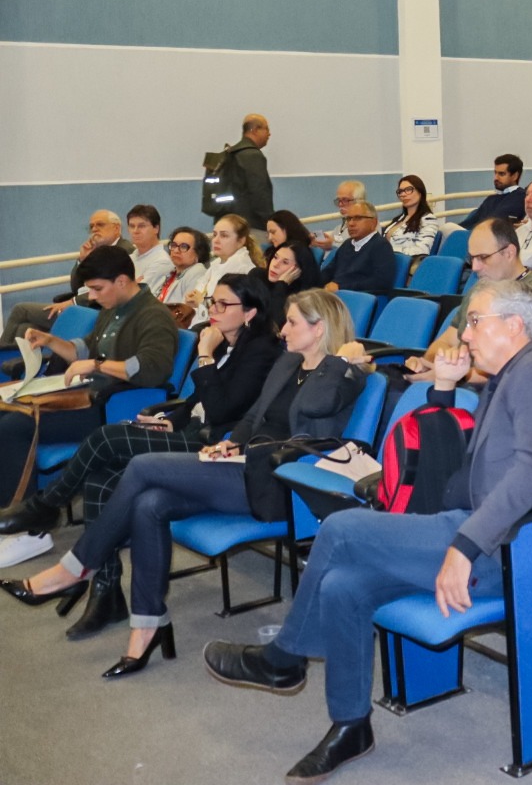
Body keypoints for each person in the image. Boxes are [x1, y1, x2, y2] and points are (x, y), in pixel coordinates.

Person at [200, 279, 532, 782]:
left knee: (340, 529)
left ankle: (283, 659)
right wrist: (446, 387)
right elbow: (463, 459)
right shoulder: (509, 374)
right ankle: (350, 725)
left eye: (475, 321)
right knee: (344, 586)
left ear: (513, 325)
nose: (465, 335)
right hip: (473, 531)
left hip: (510, 551)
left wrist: (464, 548)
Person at [1, 288, 365, 681]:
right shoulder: (287, 363)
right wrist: (230, 443)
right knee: (149, 503)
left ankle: (74, 568)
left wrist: (342, 360)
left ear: (320, 328)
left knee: (141, 467)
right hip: (242, 465)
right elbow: (255, 416)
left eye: (293, 322)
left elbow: (316, 409)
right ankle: (147, 626)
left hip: (279, 482)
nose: (283, 330)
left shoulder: (344, 375)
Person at [0, 274, 279, 634]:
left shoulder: (261, 352)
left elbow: (224, 407)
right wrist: (169, 418)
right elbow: (194, 402)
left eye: (224, 305)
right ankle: (107, 591)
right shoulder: (226, 343)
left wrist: (205, 355)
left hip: (215, 444)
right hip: (189, 431)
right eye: (213, 302)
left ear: (250, 313)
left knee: (106, 439)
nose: (213, 310)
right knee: (101, 479)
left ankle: (47, 507)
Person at [0, 247, 180, 569]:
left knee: (14, 428)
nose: (93, 297)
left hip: (112, 408)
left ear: (122, 281)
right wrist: (51, 340)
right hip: (88, 397)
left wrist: (98, 364)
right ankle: (10, 511)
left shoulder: (153, 316)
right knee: (8, 413)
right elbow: (83, 348)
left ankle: (31, 530)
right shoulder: (115, 308)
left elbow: (154, 369)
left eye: (98, 289)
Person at [402, 219, 532, 382]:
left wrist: (456, 375)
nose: (475, 267)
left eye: (483, 257)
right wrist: (429, 363)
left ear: (509, 252)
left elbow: (522, 369)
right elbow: (446, 340)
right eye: (472, 258)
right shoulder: (481, 289)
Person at [0, 210, 132, 344]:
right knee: (26, 328)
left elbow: (111, 290)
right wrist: (82, 260)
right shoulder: (97, 250)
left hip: (93, 309)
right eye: (91, 226)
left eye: (100, 224)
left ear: (116, 228)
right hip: (80, 305)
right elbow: (76, 287)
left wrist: (73, 302)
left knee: (20, 309)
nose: (94, 229)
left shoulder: (124, 251)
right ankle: (16, 363)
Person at [184, 215, 264, 325]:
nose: (216, 240)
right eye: (215, 234)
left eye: (224, 236)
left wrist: (200, 303)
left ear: (240, 241)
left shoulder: (243, 271)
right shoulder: (216, 265)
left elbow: (230, 318)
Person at [318, 202, 395, 295]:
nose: (351, 223)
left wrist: (341, 287)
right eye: (349, 219)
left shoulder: (381, 246)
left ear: (373, 222)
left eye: (358, 218)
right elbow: (328, 272)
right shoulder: (347, 244)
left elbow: (381, 283)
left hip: (358, 299)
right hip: (336, 296)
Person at [217, 113, 275, 231]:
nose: (269, 134)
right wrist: (270, 223)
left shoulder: (230, 154)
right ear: (254, 130)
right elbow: (259, 193)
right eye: (266, 129)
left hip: (228, 225)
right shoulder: (252, 155)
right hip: (252, 227)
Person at [256, 241, 323, 328]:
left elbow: (276, 326)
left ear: (298, 271)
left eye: (285, 262)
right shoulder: (258, 276)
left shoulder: (303, 298)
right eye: (275, 257)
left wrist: (281, 286)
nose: (275, 265)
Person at [151, 227, 211, 322]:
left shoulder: (197, 271)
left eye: (183, 247)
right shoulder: (170, 273)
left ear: (198, 253)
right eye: (174, 245)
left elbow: (186, 312)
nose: (175, 250)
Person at [382, 175, 442, 263]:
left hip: (405, 266)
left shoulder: (428, 219)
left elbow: (422, 250)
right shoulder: (399, 219)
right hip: (388, 262)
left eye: (408, 189)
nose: (403, 194)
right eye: (400, 191)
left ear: (420, 192)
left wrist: (388, 251)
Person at [458, 155, 525, 229]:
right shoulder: (491, 198)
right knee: (447, 228)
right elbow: (471, 221)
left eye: (501, 174)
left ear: (515, 176)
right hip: (473, 234)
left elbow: (495, 225)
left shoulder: (520, 197)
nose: (496, 178)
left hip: (490, 237)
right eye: (495, 173)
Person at [125, 205, 172, 293]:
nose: (135, 231)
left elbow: (137, 295)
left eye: (141, 226)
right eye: (132, 226)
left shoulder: (162, 261)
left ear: (156, 229)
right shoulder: (128, 258)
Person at [312, 181, 367, 250]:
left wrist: (330, 246)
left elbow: (356, 255)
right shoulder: (338, 229)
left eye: (345, 200)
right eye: (339, 200)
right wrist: (319, 243)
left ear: (359, 201)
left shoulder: (368, 227)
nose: (340, 204)